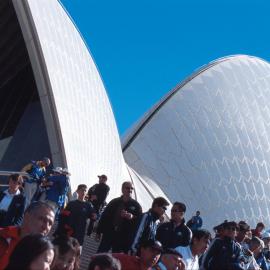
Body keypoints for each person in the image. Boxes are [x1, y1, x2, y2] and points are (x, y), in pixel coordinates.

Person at [0, 201, 55, 270]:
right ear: (27, 217)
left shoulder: (45, 253)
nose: (46, 227)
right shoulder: (3, 235)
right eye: (42, 219)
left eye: (50, 223)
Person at [96, 181, 142, 253]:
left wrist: (132, 217)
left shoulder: (136, 205)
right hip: (109, 233)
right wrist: (98, 232)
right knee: (100, 255)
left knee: (117, 259)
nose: (130, 190)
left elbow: (140, 221)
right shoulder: (114, 202)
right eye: (127, 188)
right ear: (122, 189)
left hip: (123, 237)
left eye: (131, 188)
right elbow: (105, 216)